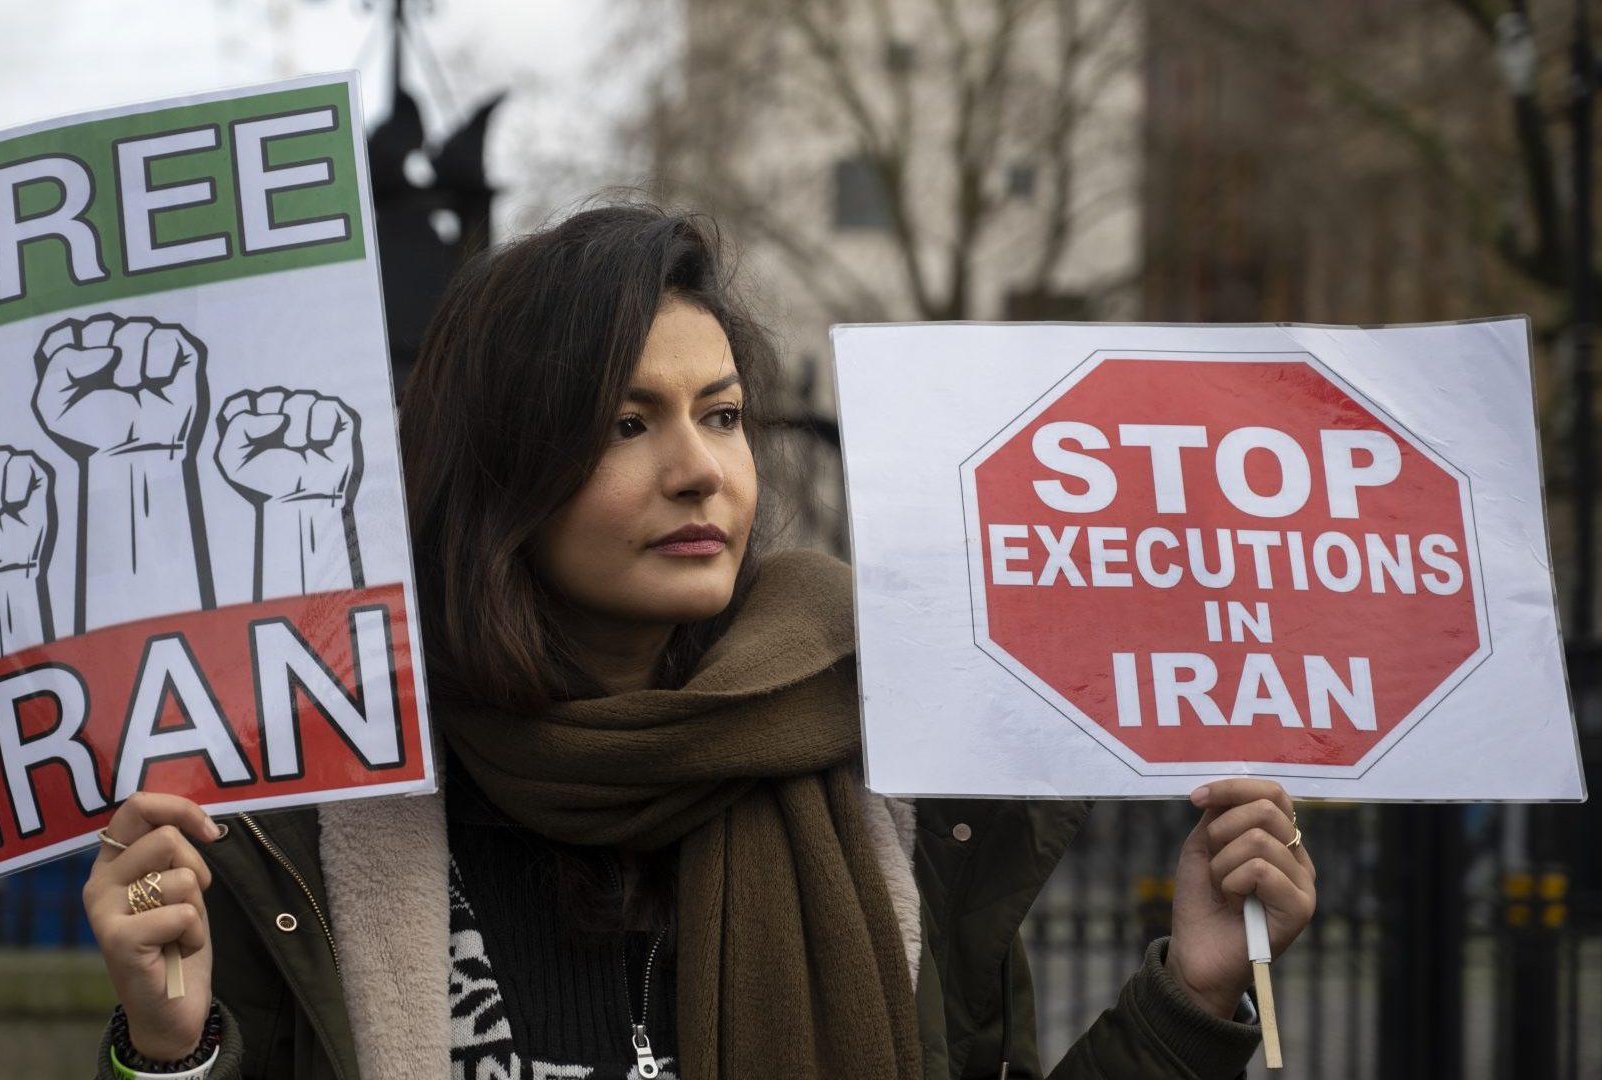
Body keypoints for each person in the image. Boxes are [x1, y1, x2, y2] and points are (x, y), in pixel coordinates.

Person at [83, 205, 1316, 1080]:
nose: (700, 470)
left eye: (721, 415)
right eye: (628, 422)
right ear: (501, 468)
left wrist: (1195, 993)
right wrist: (172, 1053)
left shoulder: (890, 784)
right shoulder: (316, 810)